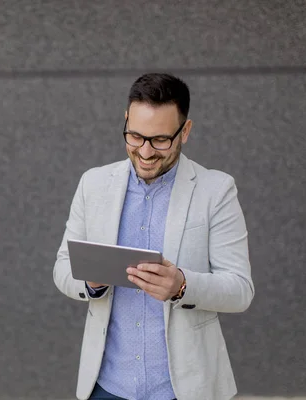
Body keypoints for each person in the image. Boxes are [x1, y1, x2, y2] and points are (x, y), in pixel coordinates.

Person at [53, 73, 254, 400]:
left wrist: (182, 285)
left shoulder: (216, 191)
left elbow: (240, 290)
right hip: (106, 385)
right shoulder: (93, 184)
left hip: (185, 388)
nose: (145, 152)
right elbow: (63, 268)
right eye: (135, 136)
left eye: (160, 140)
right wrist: (91, 282)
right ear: (126, 122)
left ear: (185, 131)